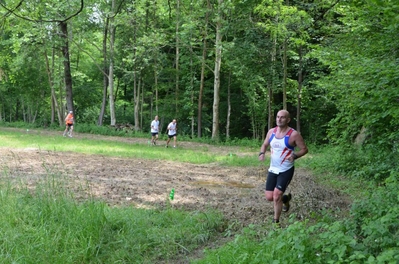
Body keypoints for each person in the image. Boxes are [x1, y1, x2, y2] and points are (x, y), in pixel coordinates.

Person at [258, 110, 308, 225]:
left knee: (276, 196)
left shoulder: (293, 134)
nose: (279, 119)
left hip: (286, 170)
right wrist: (262, 153)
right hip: (273, 169)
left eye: (282, 117)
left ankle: (276, 222)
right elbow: (265, 144)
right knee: (269, 197)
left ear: (288, 120)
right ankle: (285, 200)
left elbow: (304, 149)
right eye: (277, 117)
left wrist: (295, 155)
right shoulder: (271, 132)